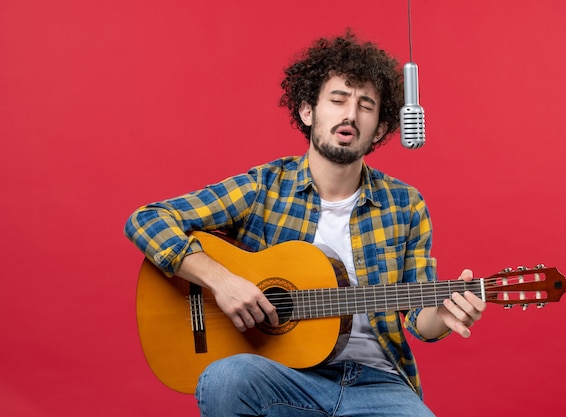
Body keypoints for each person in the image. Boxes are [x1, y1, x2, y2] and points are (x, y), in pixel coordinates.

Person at [125, 30, 486, 417]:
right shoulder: (264, 187)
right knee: (226, 377)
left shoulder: (405, 204)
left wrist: (444, 316)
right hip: (282, 375)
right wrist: (221, 280)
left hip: (377, 382)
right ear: (307, 111)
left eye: (366, 105)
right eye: (338, 99)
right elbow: (147, 220)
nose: (350, 113)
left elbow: (420, 321)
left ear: (379, 129)